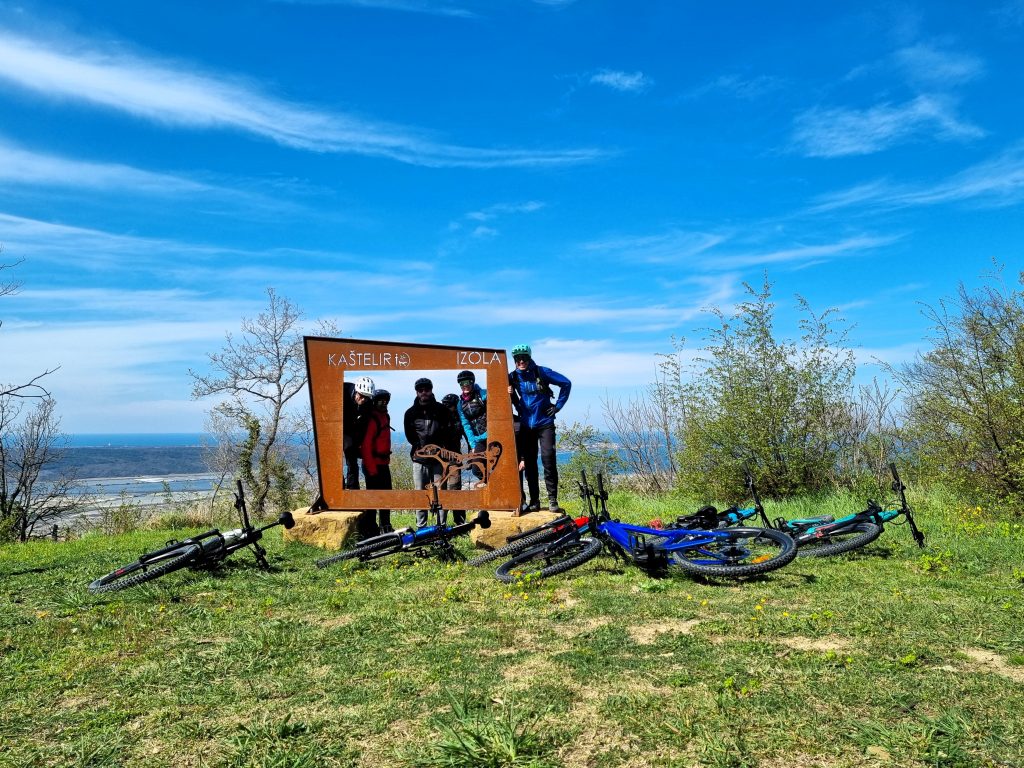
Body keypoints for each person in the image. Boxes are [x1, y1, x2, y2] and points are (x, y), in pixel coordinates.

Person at [508, 343, 571, 512]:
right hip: (526, 425)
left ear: (529, 358)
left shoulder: (542, 372)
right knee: (529, 463)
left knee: (548, 459)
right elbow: (495, 392)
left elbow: (566, 383)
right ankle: (534, 500)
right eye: (518, 359)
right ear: (514, 360)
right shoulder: (512, 377)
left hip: (545, 423)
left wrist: (557, 406)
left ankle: (552, 500)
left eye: (524, 358)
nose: (521, 361)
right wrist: (509, 393)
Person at [404, 377, 451, 527]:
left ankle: (441, 526)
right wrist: (418, 447)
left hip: (438, 459)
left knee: (441, 493)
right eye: (421, 390)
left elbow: (447, 430)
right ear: (417, 392)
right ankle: (421, 528)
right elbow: (409, 434)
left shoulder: (441, 410)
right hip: (419, 460)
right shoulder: (410, 413)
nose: (424, 392)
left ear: (431, 390)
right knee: (420, 494)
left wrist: (441, 448)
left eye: (427, 389)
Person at [360, 388, 393, 537]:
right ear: (374, 402)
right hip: (373, 464)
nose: (383, 403)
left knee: (386, 496)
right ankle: (371, 530)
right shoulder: (373, 419)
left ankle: (385, 526)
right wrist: (371, 469)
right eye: (380, 401)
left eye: (385, 401)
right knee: (373, 499)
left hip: (383, 463)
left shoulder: (385, 416)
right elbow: (366, 446)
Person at [343, 376, 375, 489]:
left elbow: (364, 425)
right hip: (338, 425)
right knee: (334, 458)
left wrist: (359, 443)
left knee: (352, 458)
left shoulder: (368, 404)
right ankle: (338, 485)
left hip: (352, 429)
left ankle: (353, 488)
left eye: (366, 398)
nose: (363, 400)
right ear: (356, 392)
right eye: (361, 396)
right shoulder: (343, 392)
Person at [456, 370, 487, 487]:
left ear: (472, 382)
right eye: (462, 383)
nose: (465, 385)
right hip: (478, 439)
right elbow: (466, 425)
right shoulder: (460, 404)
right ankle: (493, 484)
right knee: (476, 469)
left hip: (492, 435)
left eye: (467, 382)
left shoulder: (483, 394)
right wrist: (473, 445)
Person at [440, 393, 466, 524]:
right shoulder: (439, 419)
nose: (448, 408)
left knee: (455, 490)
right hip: (440, 460)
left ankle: (459, 521)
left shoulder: (461, 420)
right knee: (441, 491)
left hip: (455, 459)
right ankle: (441, 523)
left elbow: (467, 435)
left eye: (450, 406)